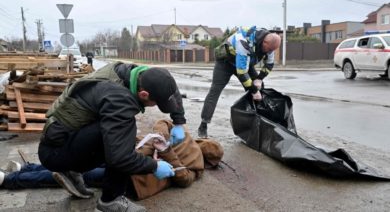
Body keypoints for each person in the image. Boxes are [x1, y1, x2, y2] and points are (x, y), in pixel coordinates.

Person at [38, 61, 187, 212]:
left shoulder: (131, 72)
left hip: (61, 137)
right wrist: (154, 166)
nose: (156, 105)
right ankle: (110, 202)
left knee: (120, 132)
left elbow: (169, 86)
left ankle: (71, 170)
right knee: (124, 136)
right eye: (156, 103)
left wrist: (178, 121)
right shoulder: (120, 99)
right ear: (144, 94)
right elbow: (119, 158)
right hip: (54, 152)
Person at [1, 120, 223, 200]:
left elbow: (183, 178)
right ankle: (13, 177)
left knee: (76, 170)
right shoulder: (185, 138)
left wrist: (165, 151)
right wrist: (162, 142)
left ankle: (17, 174)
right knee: (79, 172)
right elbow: (163, 124)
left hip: (130, 165)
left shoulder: (190, 148)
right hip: (130, 166)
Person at [198, 26, 281, 138]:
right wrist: (253, 89)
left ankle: (258, 122)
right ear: (264, 42)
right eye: (269, 49)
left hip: (245, 62)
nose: (270, 52)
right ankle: (203, 125)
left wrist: (259, 79)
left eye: (272, 50)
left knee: (260, 89)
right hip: (225, 63)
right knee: (215, 91)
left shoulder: (270, 44)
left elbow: (269, 64)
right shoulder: (243, 41)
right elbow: (242, 72)